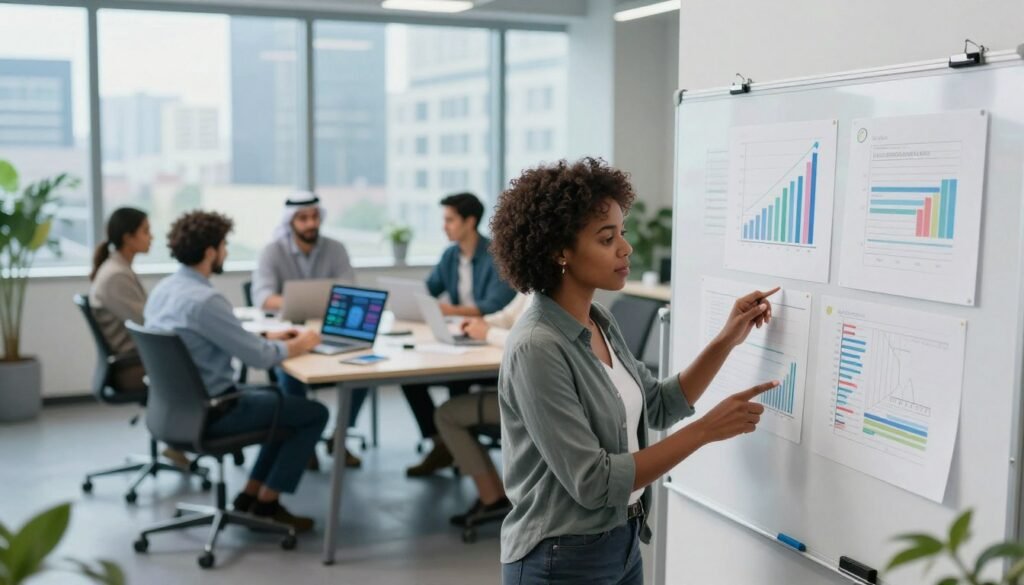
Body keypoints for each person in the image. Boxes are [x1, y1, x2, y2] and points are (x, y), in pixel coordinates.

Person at [490, 158, 779, 584]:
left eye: (621, 233)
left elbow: (660, 405)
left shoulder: (599, 321)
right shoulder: (537, 347)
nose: (626, 248)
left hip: (621, 542)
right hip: (560, 556)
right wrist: (705, 431)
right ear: (560, 253)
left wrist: (726, 340)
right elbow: (594, 482)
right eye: (608, 239)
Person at [145, 210, 327, 533]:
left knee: (283, 408)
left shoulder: (164, 290)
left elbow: (208, 335)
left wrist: (264, 336)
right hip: (215, 413)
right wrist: (300, 344)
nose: (226, 251)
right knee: (311, 413)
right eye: (224, 245)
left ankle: (249, 498)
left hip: (173, 411)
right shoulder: (206, 299)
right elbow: (259, 359)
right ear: (210, 252)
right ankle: (269, 503)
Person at [402, 192, 517, 476]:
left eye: (449, 220)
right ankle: (441, 441)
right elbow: (428, 289)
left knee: (456, 381)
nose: (444, 226)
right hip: (463, 336)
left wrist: (446, 309)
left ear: (470, 221)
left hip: (489, 343)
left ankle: (454, 442)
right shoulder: (451, 255)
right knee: (409, 378)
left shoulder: (496, 256)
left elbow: (494, 306)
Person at [252, 191, 365, 468]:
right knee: (289, 374)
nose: (310, 223)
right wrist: (307, 302)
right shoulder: (272, 251)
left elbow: (349, 290)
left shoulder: (335, 248)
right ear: (291, 221)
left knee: (363, 374)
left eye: (314, 217)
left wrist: (307, 301)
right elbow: (263, 297)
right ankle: (303, 440)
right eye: (303, 218)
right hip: (290, 333)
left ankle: (339, 437)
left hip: (331, 330)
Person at [89, 207, 192, 468]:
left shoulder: (119, 268)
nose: (151, 237)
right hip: (131, 365)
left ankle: (176, 441)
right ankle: (181, 439)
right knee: (193, 368)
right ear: (128, 237)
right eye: (146, 231)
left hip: (134, 357)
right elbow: (149, 322)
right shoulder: (116, 276)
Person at [436, 292, 531, 528]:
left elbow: (532, 342)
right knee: (456, 408)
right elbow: (508, 316)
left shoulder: (550, 291)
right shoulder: (536, 285)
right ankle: (495, 494)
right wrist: (483, 324)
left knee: (447, 415)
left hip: (531, 402)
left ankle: (492, 498)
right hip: (522, 391)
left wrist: (487, 333)